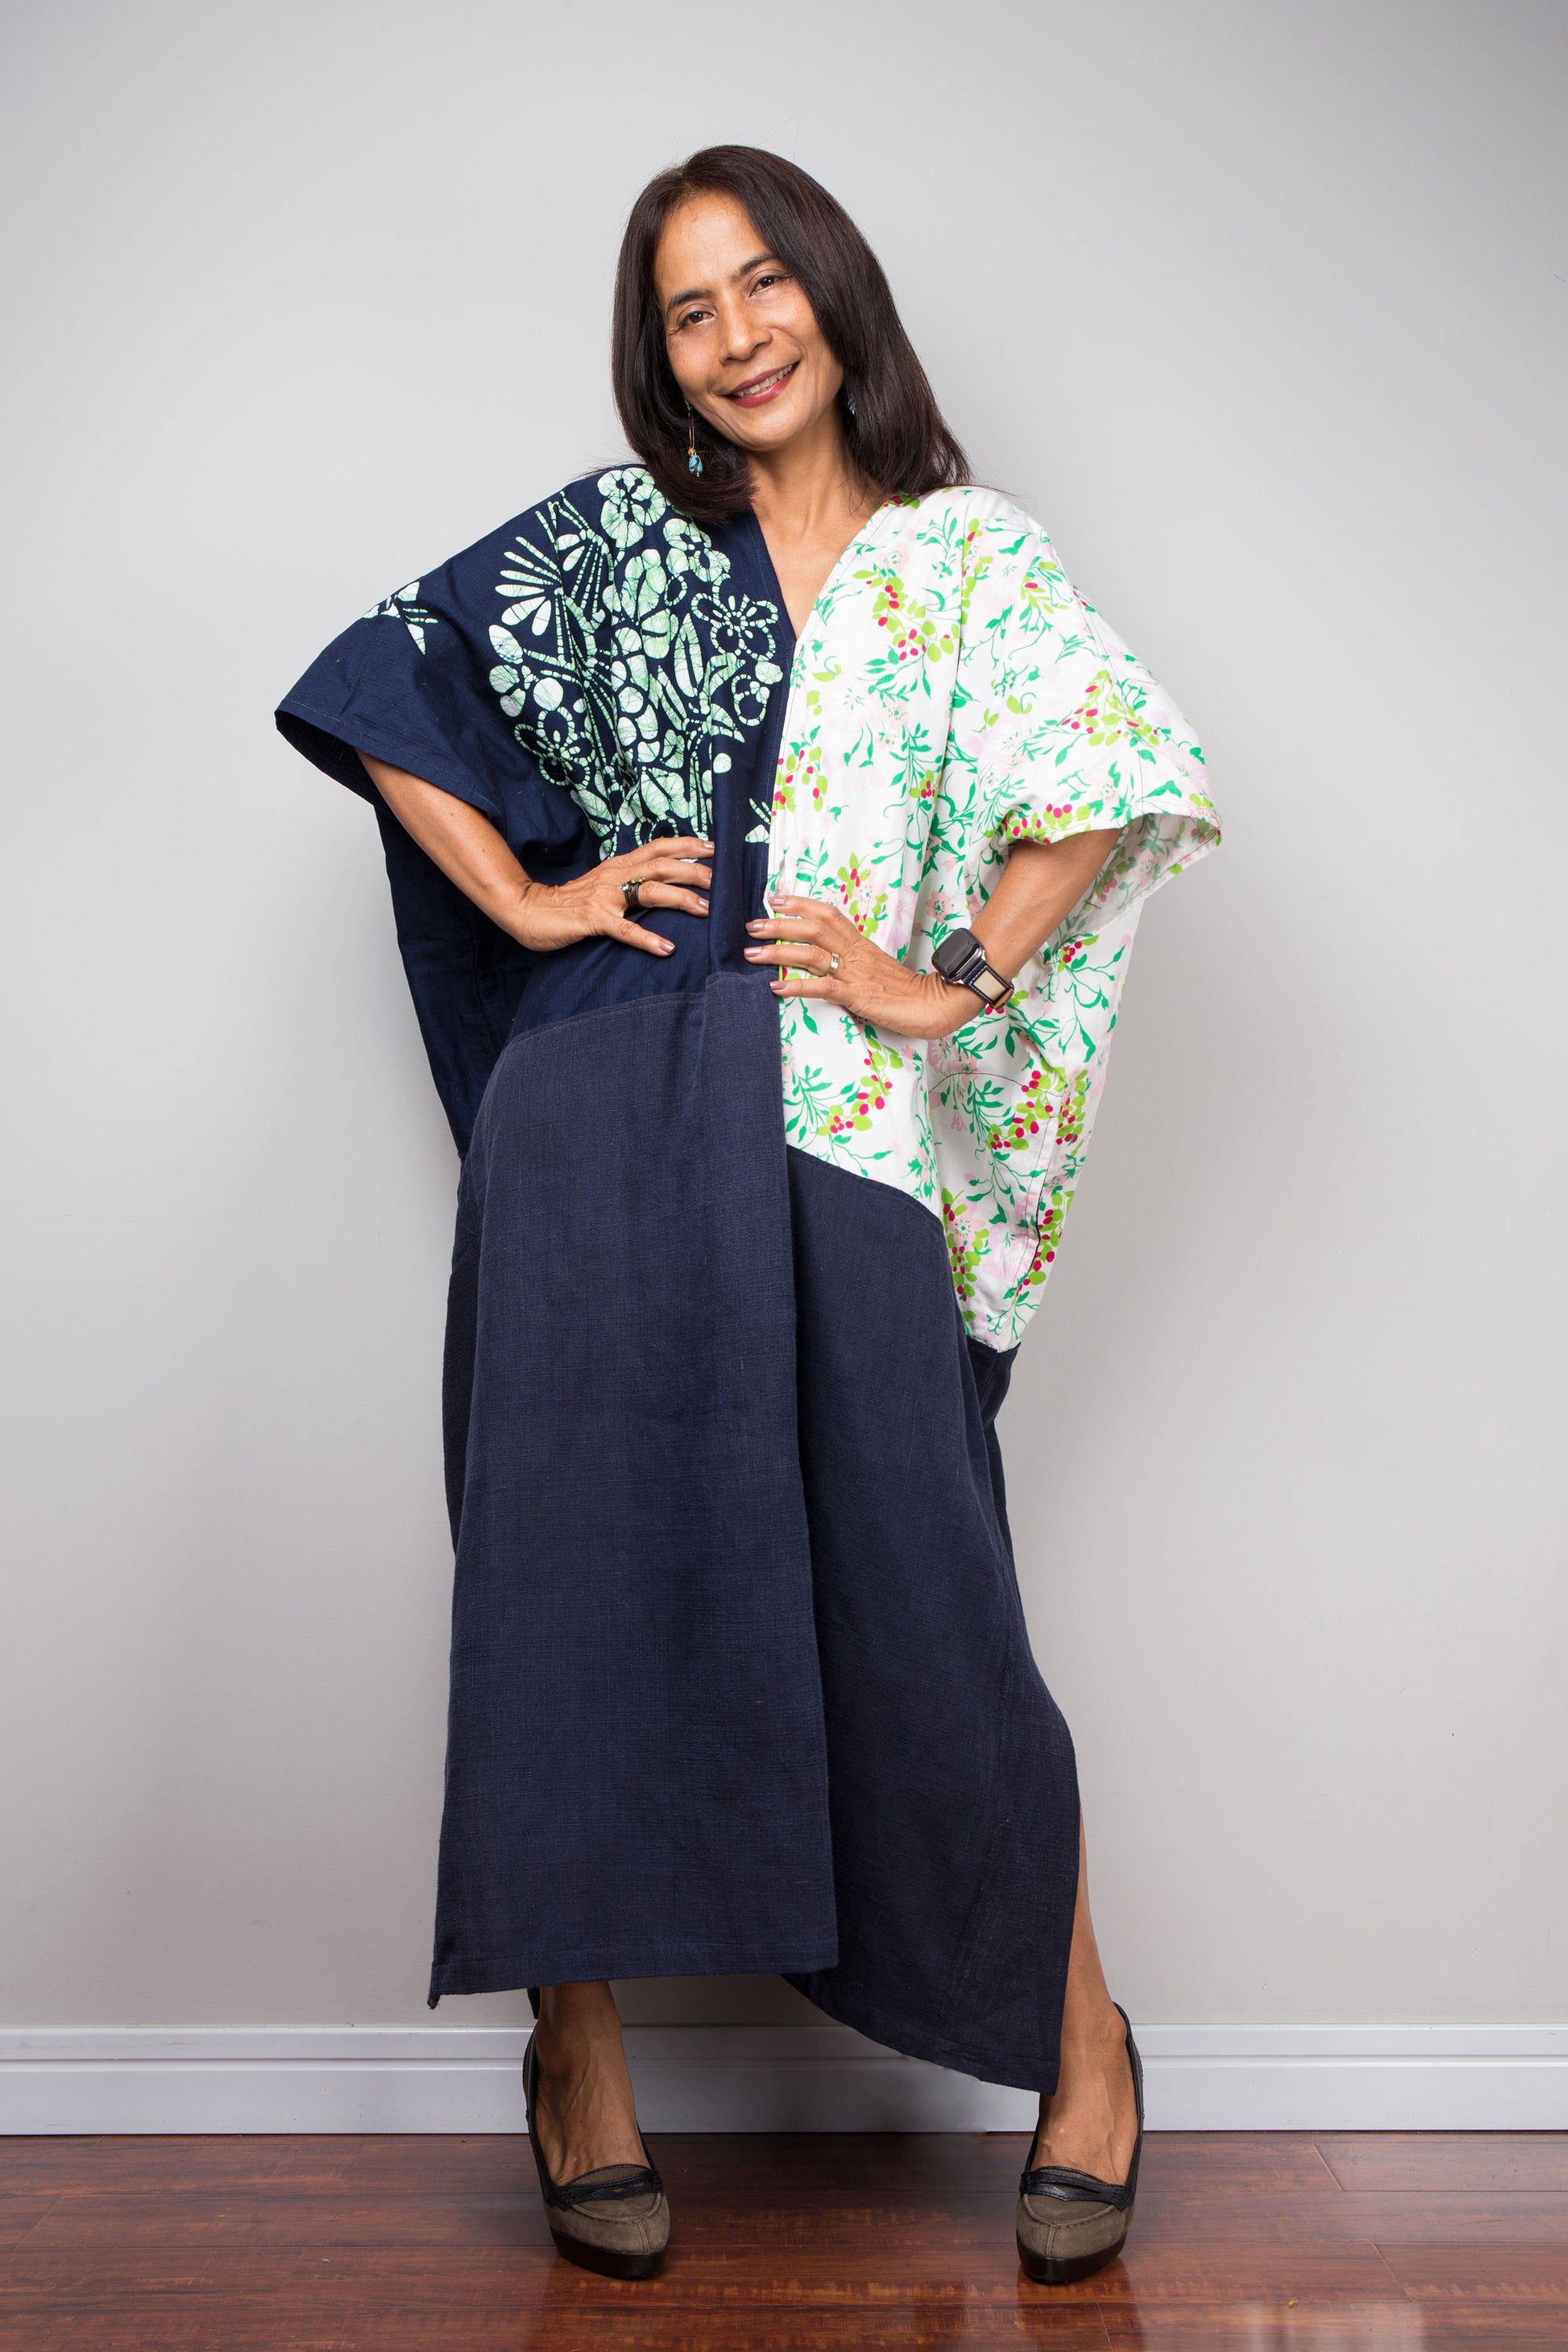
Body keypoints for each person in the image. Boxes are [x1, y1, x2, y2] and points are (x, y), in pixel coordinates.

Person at [276, 143, 1219, 2287]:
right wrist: (530, 896)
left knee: (930, 1584)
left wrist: (942, 974)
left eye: (764, 282)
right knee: (568, 1568)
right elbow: (378, 668)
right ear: (662, 357)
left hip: (848, 1111)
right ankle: (576, 2056)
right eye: (689, 308)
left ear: (834, 297)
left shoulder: (966, 559)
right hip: (606, 1095)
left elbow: (1108, 760)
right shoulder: (618, 541)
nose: (736, 332)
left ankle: (1083, 2048)